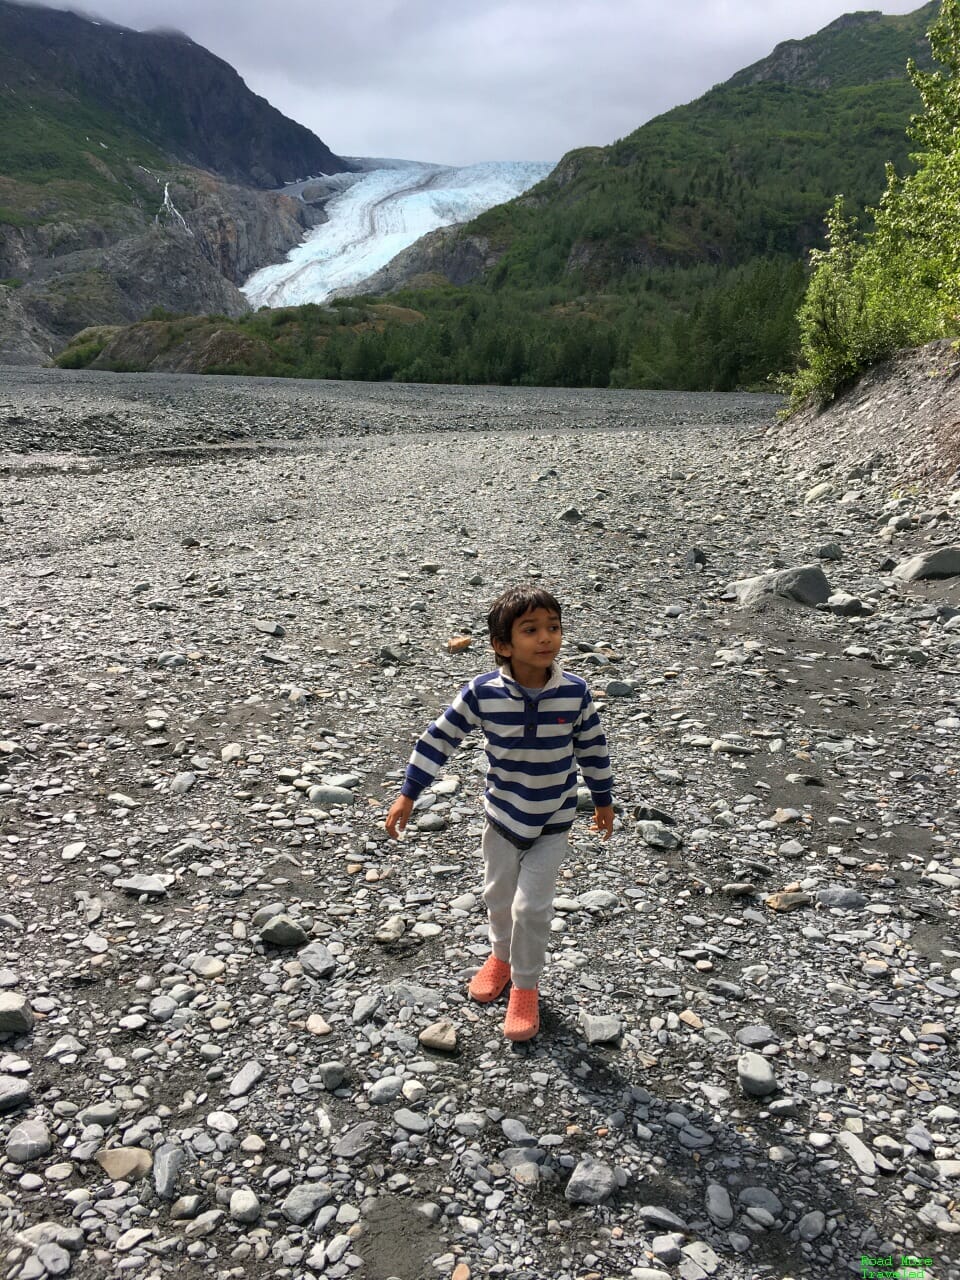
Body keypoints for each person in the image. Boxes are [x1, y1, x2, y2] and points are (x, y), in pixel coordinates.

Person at [385, 584, 615, 1042]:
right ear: (503, 645)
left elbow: (592, 747)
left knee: (531, 908)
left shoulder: (574, 692)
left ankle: (525, 988)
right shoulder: (482, 692)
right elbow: (439, 738)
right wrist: (409, 792)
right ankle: (501, 957)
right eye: (531, 630)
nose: (546, 638)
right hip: (502, 818)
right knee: (497, 896)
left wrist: (603, 798)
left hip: (552, 820)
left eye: (553, 627)